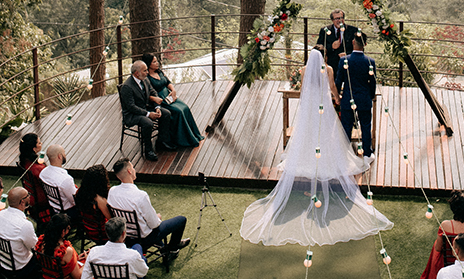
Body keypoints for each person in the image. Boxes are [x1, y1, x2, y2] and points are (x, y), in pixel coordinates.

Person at [240, 48, 393, 247]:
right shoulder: (328, 68)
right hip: (323, 106)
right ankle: (325, 158)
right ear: (323, 57)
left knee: (308, 132)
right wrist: (337, 98)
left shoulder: (304, 70)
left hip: (309, 106)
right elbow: (332, 87)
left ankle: (307, 158)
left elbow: (303, 88)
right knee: (326, 134)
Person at [107, 158, 189, 260]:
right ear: (129, 171)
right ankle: (172, 249)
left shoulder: (112, 192)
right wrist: (158, 217)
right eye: (133, 167)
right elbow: (154, 225)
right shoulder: (141, 196)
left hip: (125, 236)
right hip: (144, 238)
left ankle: (166, 246)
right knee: (181, 220)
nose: (134, 169)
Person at [142, 53, 203, 148]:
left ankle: (192, 134)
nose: (157, 63)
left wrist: (173, 90)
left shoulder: (159, 72)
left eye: (157, 61)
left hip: (169, 96)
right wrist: (156, 99)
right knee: (178, 112)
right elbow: (146, 94)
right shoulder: (147, 78)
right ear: (148, 64)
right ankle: (181, 139)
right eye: (154, 62)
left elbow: (168, 82)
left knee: (185, 107)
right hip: (160, 99)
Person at [80, 216, 148, 279]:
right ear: (123, 234)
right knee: (139, 253)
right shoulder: (132, 255)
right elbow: (143, 272)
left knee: (137, 249)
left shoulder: (94, 252)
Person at [119, 59, 172, 160]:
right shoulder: (127, 87)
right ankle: (148, 150)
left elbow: (153, 92)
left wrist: (157, 107)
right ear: (136, 73)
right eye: (145, 71)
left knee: (166, 114)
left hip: (145, 107)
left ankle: (161, 142)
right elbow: (131, 107)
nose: (147, 72)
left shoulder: (145, 79)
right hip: (133, 114)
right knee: (147, 122)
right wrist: (148, 114)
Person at [336, 34, 376, 163]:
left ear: (353, 42)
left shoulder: (344, 61)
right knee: (365, 126)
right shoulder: (371, 62)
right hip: (364, 98)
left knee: (346, 126)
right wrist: (369, 96)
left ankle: (344, 155)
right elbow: (372, 83)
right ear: (365, 44)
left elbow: (338, 81)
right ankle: (366, 155)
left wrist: (338, 96)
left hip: (348, 98)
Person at [0, 187, 39, 279]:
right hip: (19, 268)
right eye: (27, 195)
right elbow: (35, 247)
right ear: (22, 202)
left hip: (2, 262)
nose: (29, 196)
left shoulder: (1, 214)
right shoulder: (25, 225)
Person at [17, 133, 50, 231]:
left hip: (30, 194)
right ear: (34, 149)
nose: (41, 144)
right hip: (41, 199)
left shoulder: (24, 161)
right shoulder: (37, 168)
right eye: (39, 143)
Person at [75, 165, 111, 244]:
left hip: (87, 229)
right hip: (101, 233)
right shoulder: (100, 200)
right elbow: (110, 218)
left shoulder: (80, 192)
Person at [39, 144, 79, 217]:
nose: (65, 155)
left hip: (53, 207)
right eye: (64, 153)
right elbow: (75, 201)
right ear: (59, 156)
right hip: (67, 212)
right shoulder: (65, 179)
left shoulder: (43, 173)